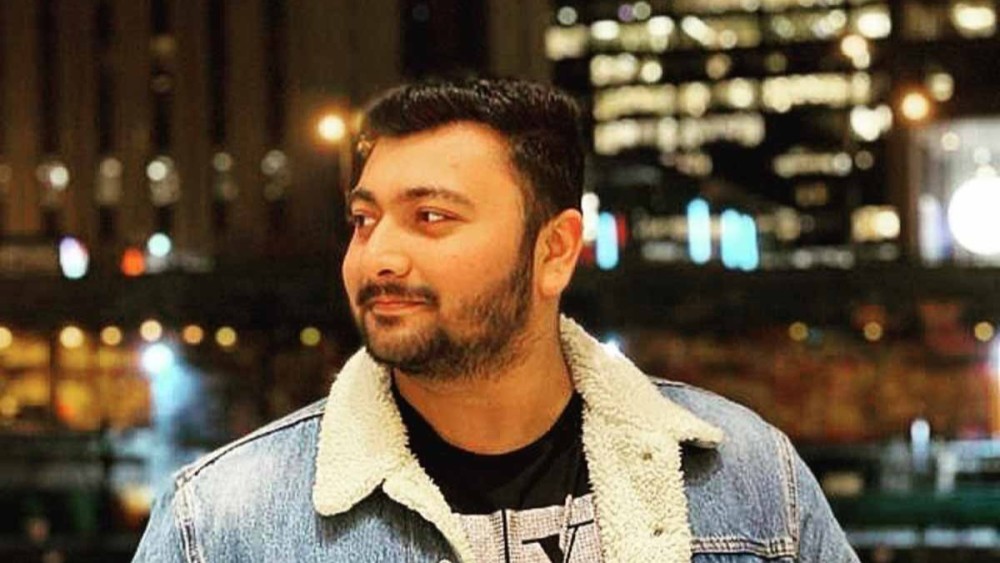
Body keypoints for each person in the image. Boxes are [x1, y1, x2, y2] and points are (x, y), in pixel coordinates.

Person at [132, 78, 859, 563]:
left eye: (431, 216)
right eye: (363, 219)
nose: (378, 255)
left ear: (555, 250)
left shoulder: (746, 479)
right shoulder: (223, 522)